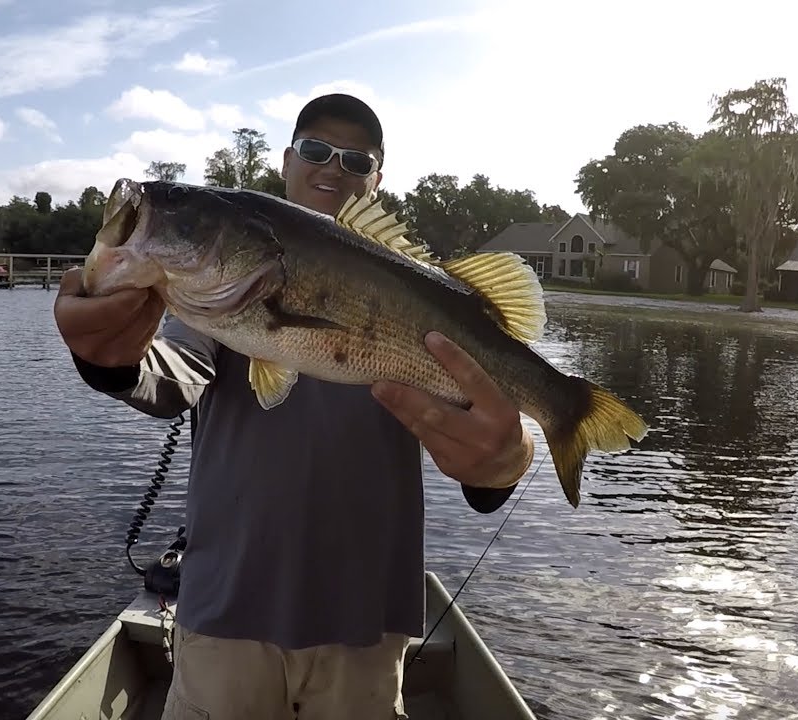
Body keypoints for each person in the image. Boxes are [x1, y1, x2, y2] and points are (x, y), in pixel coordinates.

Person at [53, 93, 536, 719]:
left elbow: (485, 433)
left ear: (377, 181)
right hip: (226, 610)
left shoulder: (418, 290)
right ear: (286, 161)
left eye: (356, 161)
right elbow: (171, 377)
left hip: (365, 622)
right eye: (315, 150)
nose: (333, 168)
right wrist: (108, 360)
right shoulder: (217, 300)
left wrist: (507, 462)